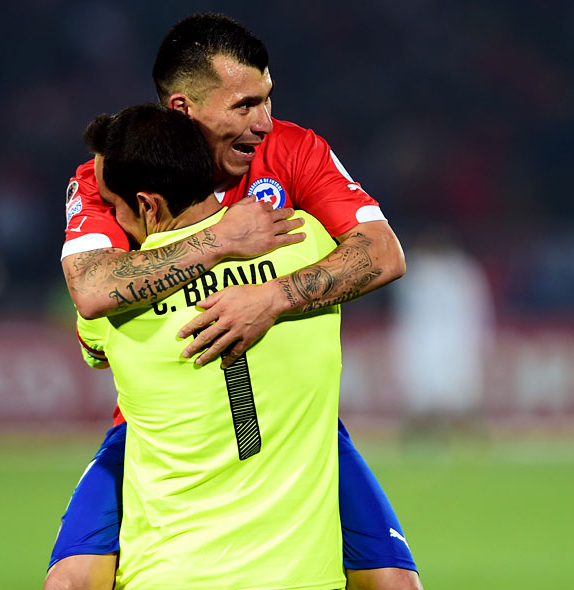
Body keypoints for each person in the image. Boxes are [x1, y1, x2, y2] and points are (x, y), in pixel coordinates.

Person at [47, 13, 421, 590]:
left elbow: (382, 253)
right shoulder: (115, 172)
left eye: (267, 99)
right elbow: (92, 289)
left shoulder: (293, 149)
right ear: (182, 109)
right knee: (70, 581)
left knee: (395, 583)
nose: (264, 123)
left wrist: (271, 298)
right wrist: (220, 240)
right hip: (169, 436)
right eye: (245, 105)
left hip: (285, 422)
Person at [78, 103, 345, 589]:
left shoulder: (113, 311)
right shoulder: (308, 245)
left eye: (115, 206)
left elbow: (95, 346)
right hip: (302, 577)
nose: (115, 219)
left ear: (148, 206)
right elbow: (371, 258)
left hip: (168, 575)